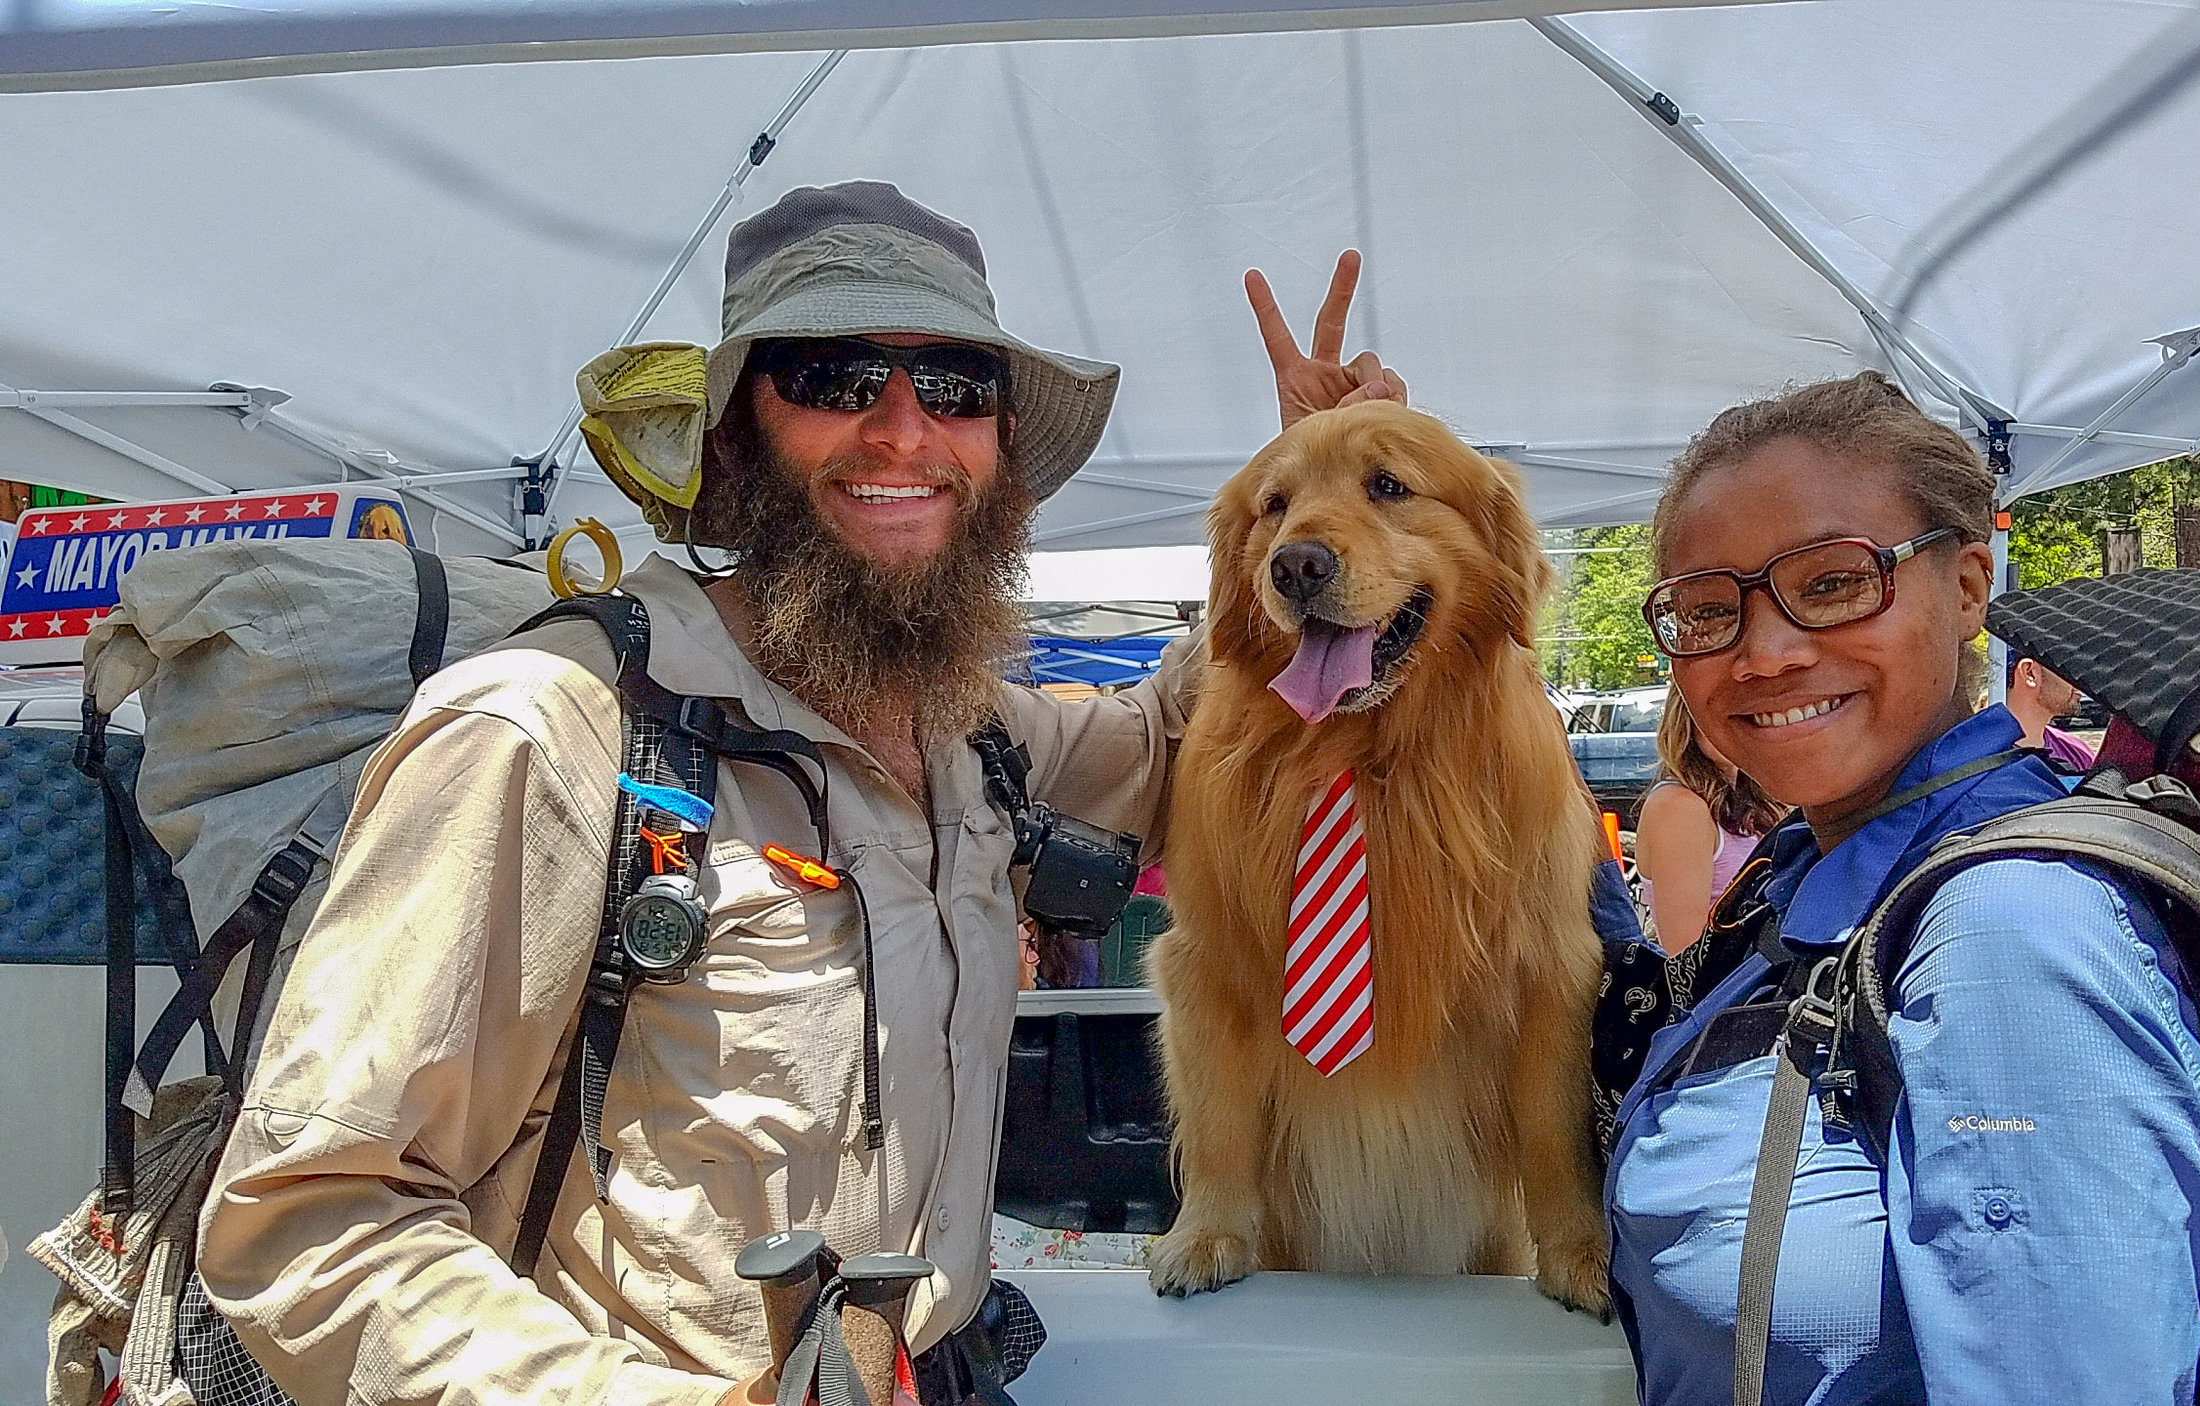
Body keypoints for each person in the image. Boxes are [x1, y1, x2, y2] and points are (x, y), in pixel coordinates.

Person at [196, 184, 1404, 1406]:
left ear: (999, 452)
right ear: (732, 436)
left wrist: (1312, 496)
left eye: (954, 387)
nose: (900, 432)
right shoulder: (552, 728)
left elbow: (1173, 737)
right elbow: (310, 1216)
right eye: (833, 377)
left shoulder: (968, 735)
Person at [1608, 372, 2200, 1404]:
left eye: (1831, 582)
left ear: (1965, 589)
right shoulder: (1807, 886)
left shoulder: (2011, 934)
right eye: (1708, 611)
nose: (1762, 652)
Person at [1633, 685, 1779, 953]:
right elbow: (1687, 953)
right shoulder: (1679, 807)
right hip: (1735, 990)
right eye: (1718, 711)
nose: (1737, 724)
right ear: (1687, 720)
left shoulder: (1755, 797)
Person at [2004, 651, 2098, 771]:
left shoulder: (2079, 754)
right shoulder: (1980, 757)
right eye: (2072, 666)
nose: (2081, 680)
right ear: (2030, 672)